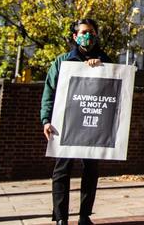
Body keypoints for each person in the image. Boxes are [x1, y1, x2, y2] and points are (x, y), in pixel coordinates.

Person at [40, 18, 112, 225]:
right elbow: (49, 92)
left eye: (90, 32)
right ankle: (61, 218)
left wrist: (101, 67)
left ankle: (84, 215)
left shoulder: (106, 61)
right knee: (61, 171)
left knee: (91, 171)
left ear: (96, 35)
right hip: (66, 125)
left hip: (93, 126)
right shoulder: (62, 62)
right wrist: (46, 120)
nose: (87, 36)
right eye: (83, 32)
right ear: (75, 36)